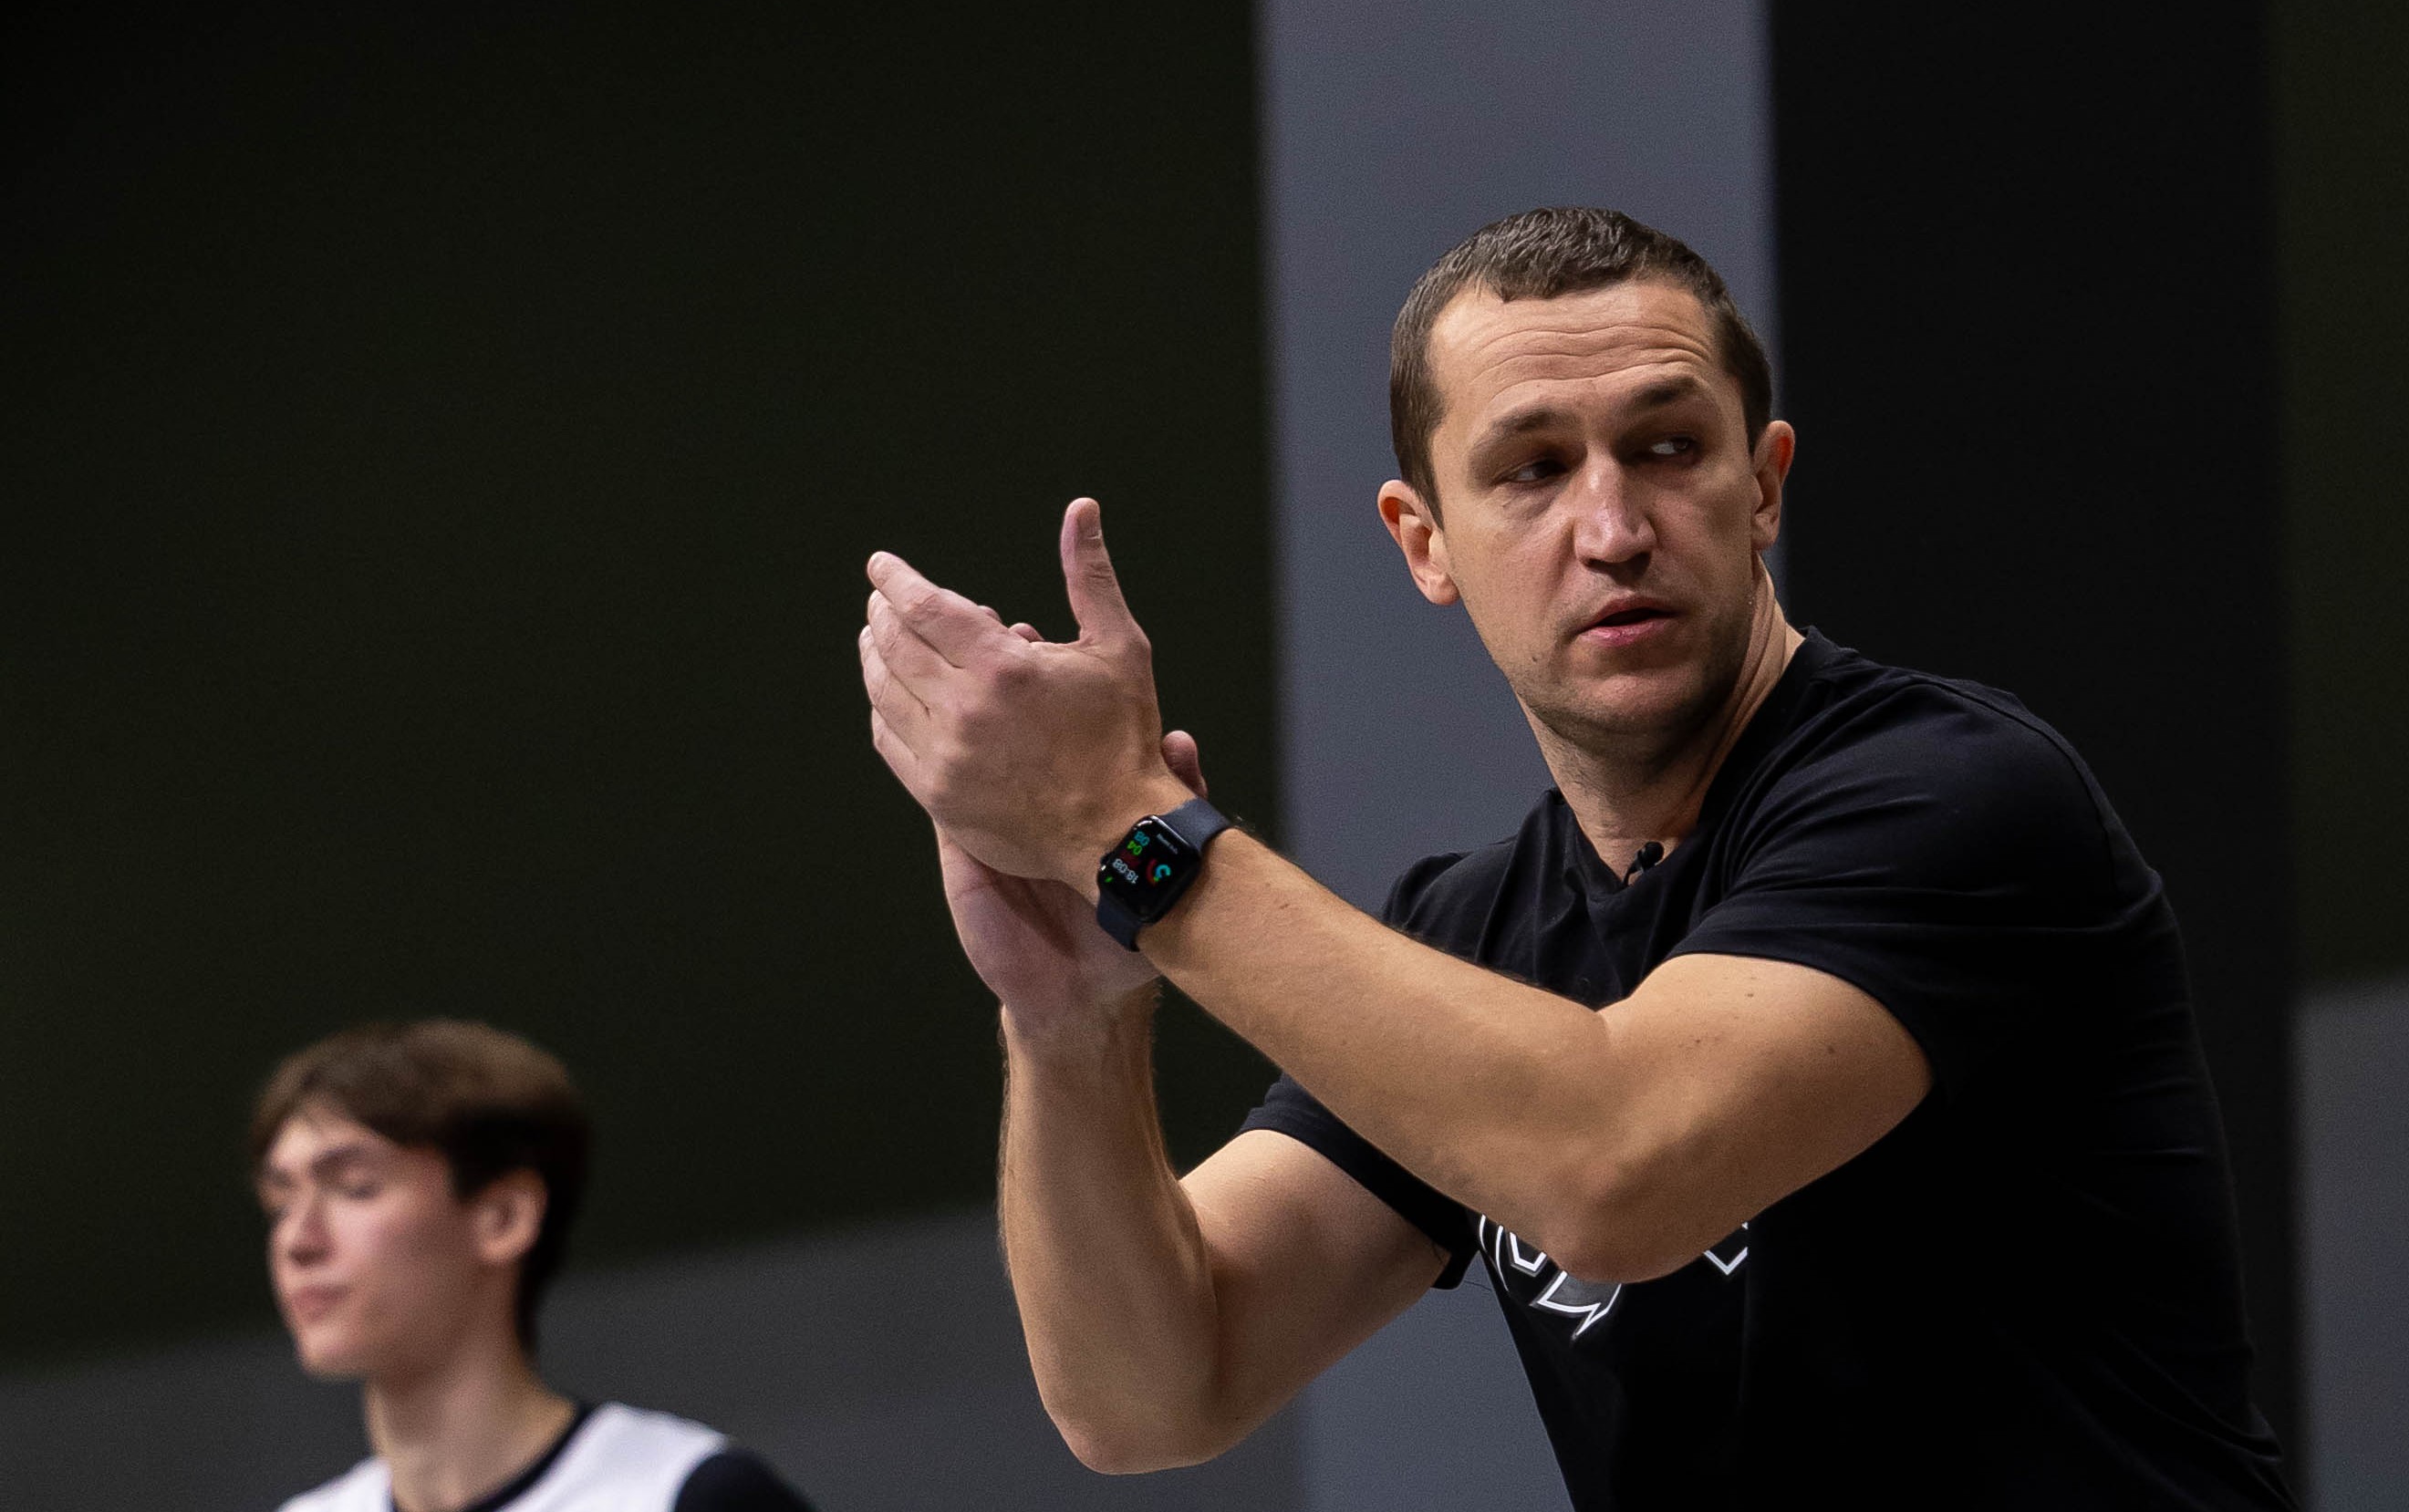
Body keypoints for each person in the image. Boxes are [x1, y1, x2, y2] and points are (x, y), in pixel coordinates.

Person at [857, 205, 2292, 1509]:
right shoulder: (1474, 930)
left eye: (1668, 446)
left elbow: (1617, 1162)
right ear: (1425, 541)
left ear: (1765, 484)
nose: (1613, 529)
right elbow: (1156, 1388)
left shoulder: (1948, 794)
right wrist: (1072, 1017)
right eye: (1533, 469)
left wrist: (1133, 838)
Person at [254, 1020, 814, 1512]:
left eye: (356, 1187)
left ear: (503, 1218)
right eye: (280, 1204)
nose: (297, 1241)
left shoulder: (686, 1495)